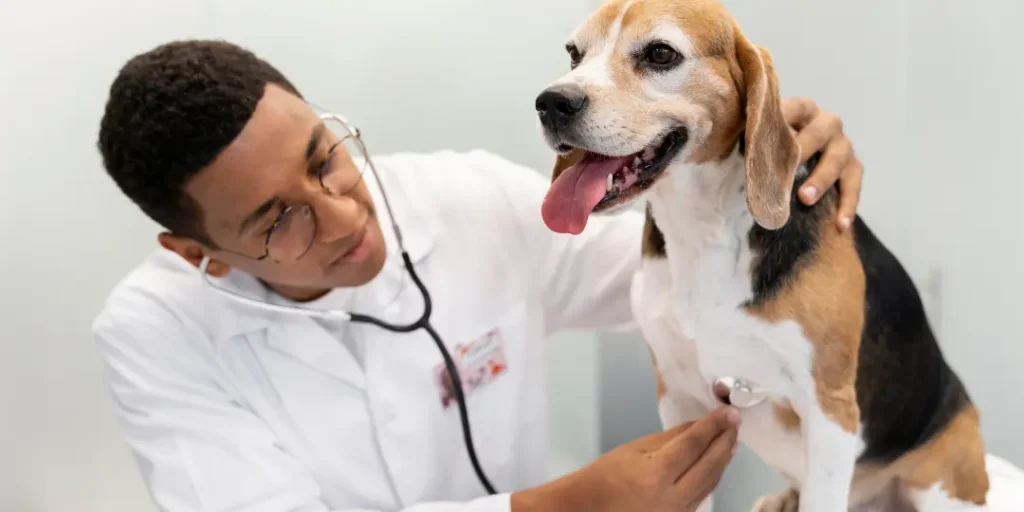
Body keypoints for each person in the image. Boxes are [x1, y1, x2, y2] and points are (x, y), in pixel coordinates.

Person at [91, 39, 864, 512]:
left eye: (326, 157)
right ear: (198, 253)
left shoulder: (465, 198)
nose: (343, 216)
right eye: (274, 220)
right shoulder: (157, 332)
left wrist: (769, 167)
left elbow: (682, 287)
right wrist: (563, 506)